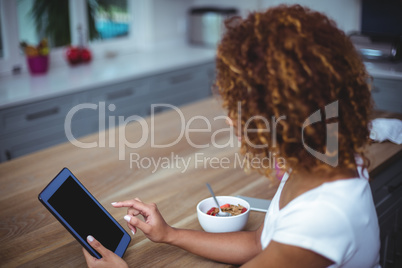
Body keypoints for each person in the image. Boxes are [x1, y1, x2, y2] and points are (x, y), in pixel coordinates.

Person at [83, 5, 380, 268]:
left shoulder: (321, 219)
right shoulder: (314, 158)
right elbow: (259, 244)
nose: (230, 118)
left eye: (242, 107)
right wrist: (170, 234)